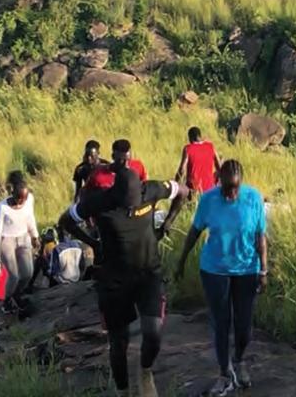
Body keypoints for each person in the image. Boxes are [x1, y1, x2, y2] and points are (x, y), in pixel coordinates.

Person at [60, 156, 188, 397]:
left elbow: (183, 191)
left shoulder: (151, 189)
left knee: (153, 333)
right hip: (114, 279)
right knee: (119, 342)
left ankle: (145, 371)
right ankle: (123, 391)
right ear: (115, 194)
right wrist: (93, 243)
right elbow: (65, 221)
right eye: (126, 205)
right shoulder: (98, 202)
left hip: (148, 273)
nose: (131, 209)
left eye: (135, 204)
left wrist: (167, 223)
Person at [175, 159, 268, 396]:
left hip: (246, 269)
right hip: (214, 270)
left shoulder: (253, 198)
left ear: (241, 183)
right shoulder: (208, 200)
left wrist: (264, 270)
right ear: (219, 182)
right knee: (221, 322)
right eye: (227, 188)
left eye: (234, 189)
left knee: (244, 326)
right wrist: (181, 261)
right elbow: (195, 231)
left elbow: (260, 236)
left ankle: (239, 359)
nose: (230, 194)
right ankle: (225, 371)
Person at [0, 171, 39, 316]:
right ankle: (7, 301)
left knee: (27, 273)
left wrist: (35, 236)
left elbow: (30, 218)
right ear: (12, 193)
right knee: (13, 275)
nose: (20, 202)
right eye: (18, 198)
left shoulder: (29, 200)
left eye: (23, 199)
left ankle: (17, 294)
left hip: (23, 238)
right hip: (7, 241)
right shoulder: (2, 207)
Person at [175, 126, 222, 196]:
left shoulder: (188, 149)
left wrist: (176, 182)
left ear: (190, 138)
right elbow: (219, 167)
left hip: (193, 189)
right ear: (200, 136)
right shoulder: (210, 146)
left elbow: (182, 170)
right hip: (209, 189)